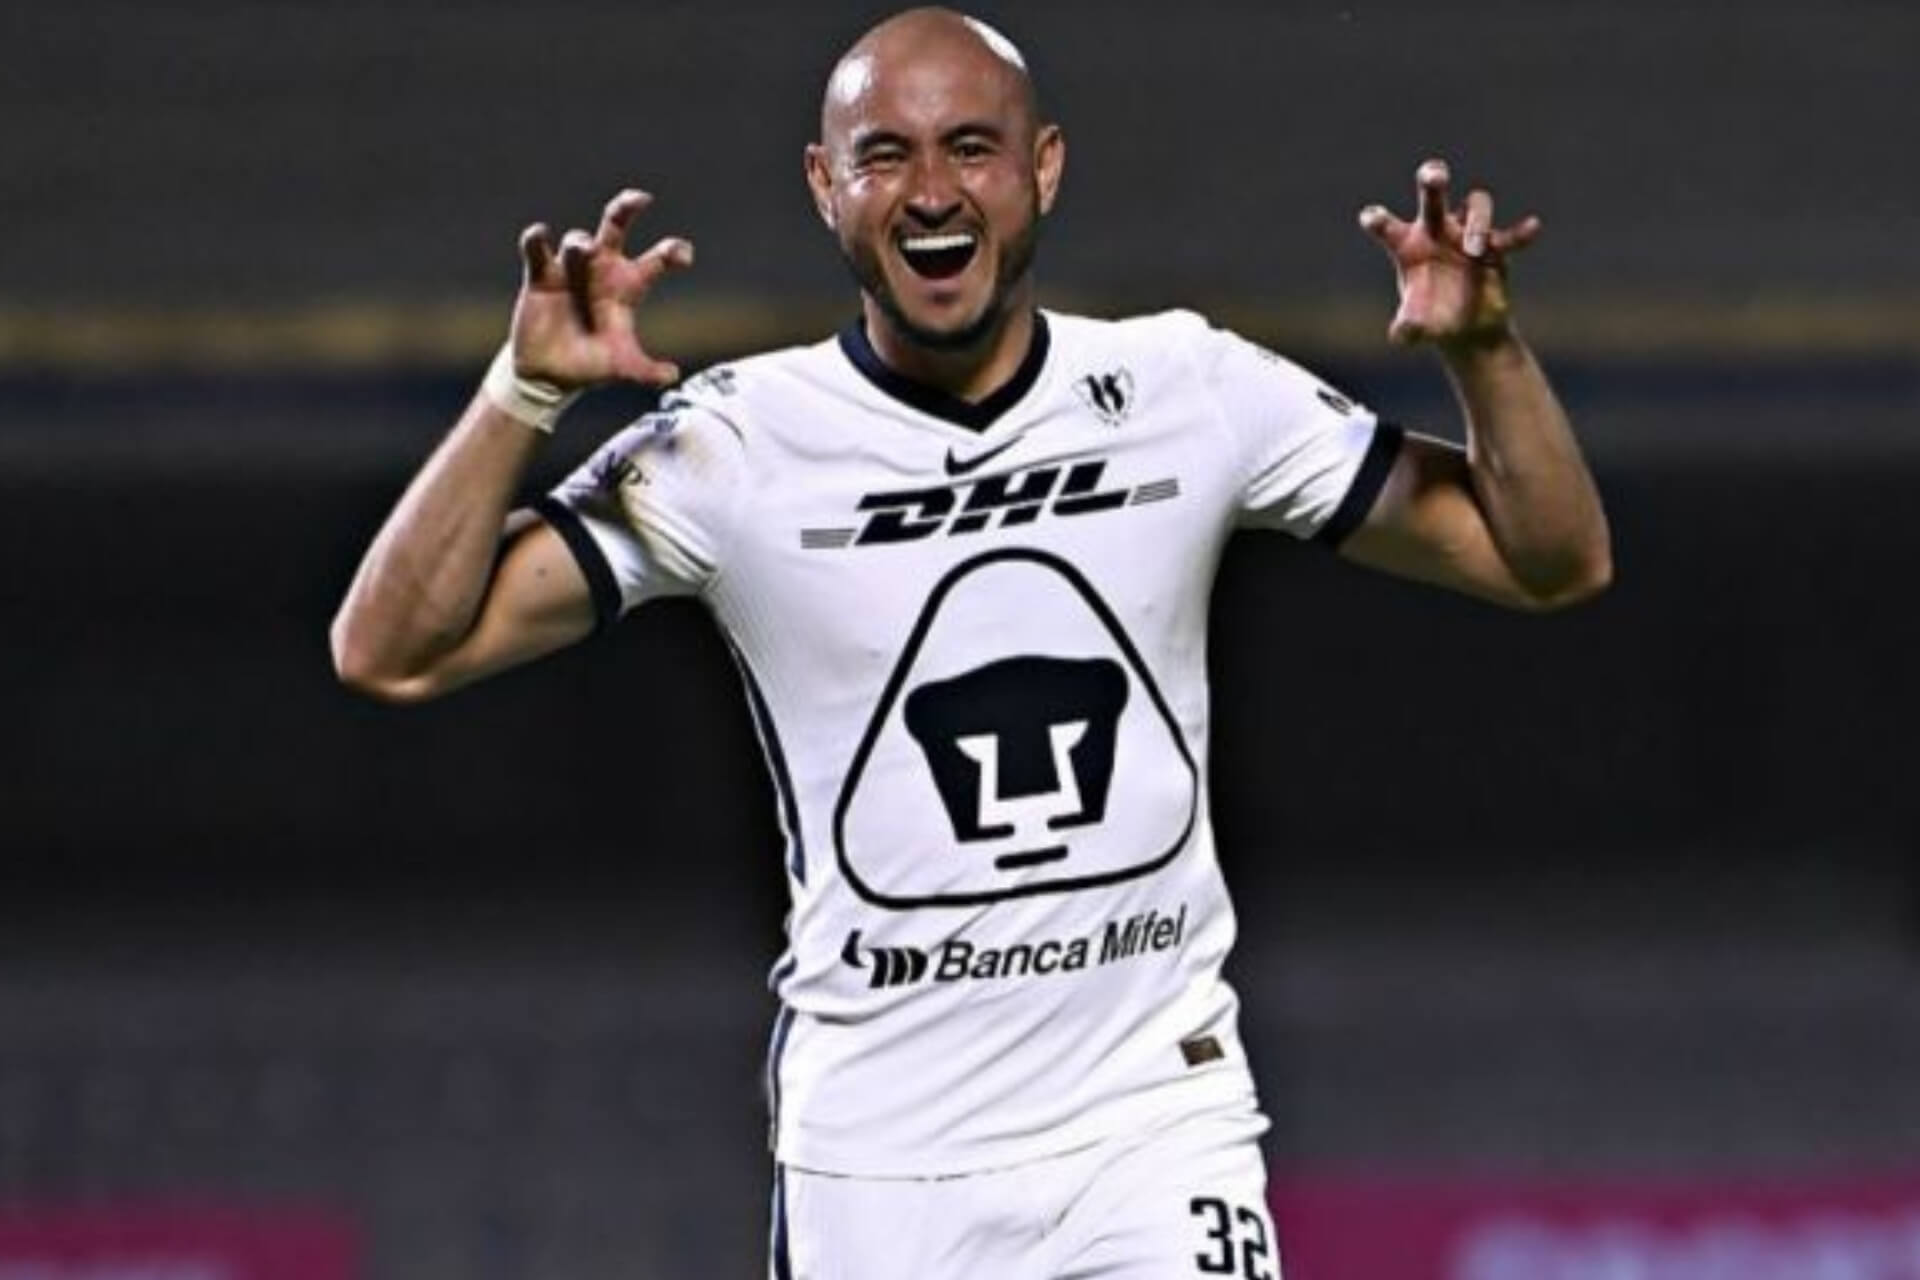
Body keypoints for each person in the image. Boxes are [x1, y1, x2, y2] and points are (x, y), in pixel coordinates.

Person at [330, 7, 1611, 1277]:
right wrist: (524, 390)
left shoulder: (1189, 387)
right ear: (825, 185)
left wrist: (1487, 353)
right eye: (885, 155)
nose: (933, 191)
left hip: (1153, 1126)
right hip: (881, 1162)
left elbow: (1549, 559)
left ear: (1043, 167)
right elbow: (391, 647)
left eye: (972, 148)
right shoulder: (737, 443)